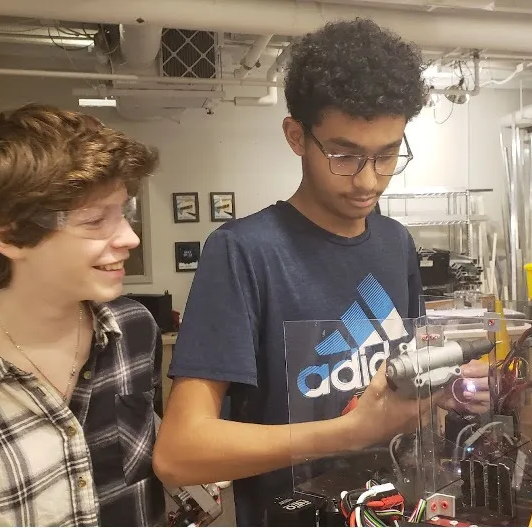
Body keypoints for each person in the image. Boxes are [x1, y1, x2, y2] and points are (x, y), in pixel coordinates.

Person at [153, 18, 489, 526]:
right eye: (344, 155)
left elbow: (409, 379)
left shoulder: (397, 243)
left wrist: (453, 388)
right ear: (295, 136)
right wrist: (350, 432)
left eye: (386, 154)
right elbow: (180, 452)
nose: (368, 180)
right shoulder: (243, 253)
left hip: (393, 510)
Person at [0, 101, 164, 526]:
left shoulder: (133, 328)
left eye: (125, 212)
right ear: (11, 236)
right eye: (95, 220)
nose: (130, 238)